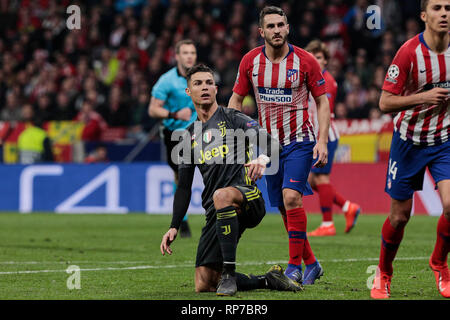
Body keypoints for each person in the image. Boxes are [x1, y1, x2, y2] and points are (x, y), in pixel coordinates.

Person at [160, 64, 302, 296]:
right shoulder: (187, 136)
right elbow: (184, 187)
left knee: (222, 194)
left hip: (248, 197)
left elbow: (272, 144)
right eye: (198, 84)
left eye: (209, 83)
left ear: (216, 89)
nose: (204, 87)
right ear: (189, 92)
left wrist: (262, 159)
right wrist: (174, 225)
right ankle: (268, 280)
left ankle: (228, 274)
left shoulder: (234, 118)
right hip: (216, 210)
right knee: (204, 283)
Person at [227, 6, 330, 285]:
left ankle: (293, 267)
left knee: (291, 198)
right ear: (262, 32)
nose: (276, 30)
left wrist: (322, 140)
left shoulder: (306, 61)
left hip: (300, 141)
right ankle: (312, 263)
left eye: (280, 25)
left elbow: (322, 100)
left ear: (287, 28)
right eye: (270, 26)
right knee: (285, 209)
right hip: (267, 145)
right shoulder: (250, 62)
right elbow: (235, 101)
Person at [371, 0, 450, 299]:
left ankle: (440, 263)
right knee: (400, 216)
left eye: (449, 8)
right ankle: (384, 273)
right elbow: (384, 102)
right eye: (437, 8)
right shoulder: (409, 52)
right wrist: (424, 97)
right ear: (423, 15)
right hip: (408, 141)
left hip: (444, 140)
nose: (444, 13)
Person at [304, 40, 361, 237]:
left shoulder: (326, 81)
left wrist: (322, 139)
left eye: (319, 57)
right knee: (312, 180)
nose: (315, 60)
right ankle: (347, 207)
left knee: (320, 178)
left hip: (325, 135)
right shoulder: (312, 78)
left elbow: (324, 112)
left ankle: (328, 223)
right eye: (312, 57)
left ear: (326, 61)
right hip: (317, 135)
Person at [149, 39, 198, 238]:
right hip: (175, 134)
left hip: (199, 130)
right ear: (177, 56)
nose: (189, 56)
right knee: (180, 175)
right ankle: (182, 220)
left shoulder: (201, 77)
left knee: (216, 169)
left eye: (192, 53)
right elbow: (153, 109)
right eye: (185, 53)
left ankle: (218, 217)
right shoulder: (166, 81)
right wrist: (175, 115)